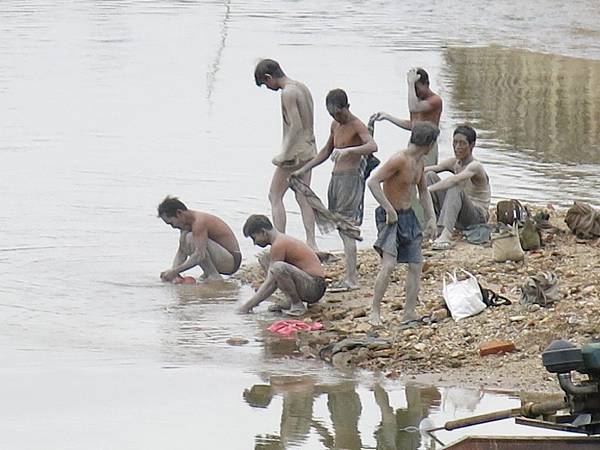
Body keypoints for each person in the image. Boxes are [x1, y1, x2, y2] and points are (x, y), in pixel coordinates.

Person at [292, 88, 377, 291]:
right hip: (336, 179)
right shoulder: (335, 125)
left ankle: (351, 279)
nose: (336, 117)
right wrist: (303, 169)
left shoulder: (356, 125)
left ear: (346, 107)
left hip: (351, 179)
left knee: (346, 228)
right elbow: (325, 151)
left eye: (339, 113)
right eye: (332, 114)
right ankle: (349, 275)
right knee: (339, 226)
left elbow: (372, 146)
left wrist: (348, 151)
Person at [367, 122, 438, 326]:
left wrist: (431, 218)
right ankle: (375, 311)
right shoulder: (399, 159)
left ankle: (408, 313)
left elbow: (423, 192)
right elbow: (373, 182)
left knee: (416, 265)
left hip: (409, 217)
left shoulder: (420, 163)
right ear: (429, 143)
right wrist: (388, 209)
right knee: (388, 265)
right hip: (390, 218)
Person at [254, 58, 319, 250]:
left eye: (266, 84)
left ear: (269, 77)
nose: (268, 88)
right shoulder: (302, 87)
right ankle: (312, 243)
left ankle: (279, 241)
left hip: (295, 153)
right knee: (302, 196)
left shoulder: (288, 93)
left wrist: (283, 154)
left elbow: (296, 126)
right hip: (309, 148)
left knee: (275, 196)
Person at [238, 214, 326, 315]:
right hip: (307, 282)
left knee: (278, 268)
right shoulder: (279, 241)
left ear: (263, 232)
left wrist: (248, 306)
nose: (254, 243)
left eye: (254, 238)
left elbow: (272, 280)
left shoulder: (279, 243)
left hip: (314, 287)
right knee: (264, 258)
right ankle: (289, 300)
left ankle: (297, 305)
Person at [425, 125, 491, 250]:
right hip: (459, 213)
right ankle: (434, 228)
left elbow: (454, 180)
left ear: (471, 145)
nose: (457, 147)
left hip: (476, 217)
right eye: (455, 143)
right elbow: (432, 169)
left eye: (462, 143)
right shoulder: (455, 162)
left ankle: (446, 235)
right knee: (430, 176)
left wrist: (427, 191)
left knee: (455, 186)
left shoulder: (475, 166)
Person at [157, 196, 241, 282]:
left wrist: (175, 271)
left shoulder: (199, 222)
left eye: (171, 223)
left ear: (179, 213)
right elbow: (181, 251)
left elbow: (200, 255)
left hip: (231, 262)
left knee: (190, 238)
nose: (173, 227)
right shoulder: (185, 225)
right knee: (185, 238)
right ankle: (209, 273)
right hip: (221, 258)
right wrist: (173, 273)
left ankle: (214, 276)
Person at [370, 67, 443, 166]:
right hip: (413, 143)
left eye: (417, 88)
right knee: (409, 174)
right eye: (414, 89)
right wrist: (388, 117)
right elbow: (413, 125)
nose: (415, 92)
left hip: (428, 144)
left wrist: (410, 84)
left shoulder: (435, 100)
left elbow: (414, 107)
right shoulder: (416, 100)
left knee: (426, 174)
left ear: (426, 84)